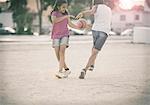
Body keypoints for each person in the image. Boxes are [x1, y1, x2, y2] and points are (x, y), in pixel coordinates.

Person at [76, 0, 112, 79]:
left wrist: (82, 13)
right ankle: (84, 69)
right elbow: (107, 22)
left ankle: (92, 64)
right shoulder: (109, 9)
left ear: (95, 2)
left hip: (95, 30)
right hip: (104, 31)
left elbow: (92, 11)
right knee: (95, 51)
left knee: (94, 49)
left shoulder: (96, 6)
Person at [51, 0, 79, 78]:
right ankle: (66, 69)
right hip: (56, 35)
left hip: (65, 35)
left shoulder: (66, 14)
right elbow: (54, 21)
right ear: (58, 7)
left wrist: (78, 27)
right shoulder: (54, 13)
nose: (64, 9)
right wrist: (65, 17)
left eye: (65, 7)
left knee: (62, 52)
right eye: (63, 7)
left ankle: (60, 71)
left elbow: (69, 24)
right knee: (57, 54)